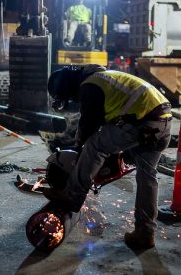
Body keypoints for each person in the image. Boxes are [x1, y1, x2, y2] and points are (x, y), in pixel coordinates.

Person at [44, 64, 172, 249]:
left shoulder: (90, 85)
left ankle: (72, 196)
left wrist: (79, 152)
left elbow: (88, 126)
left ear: (68, 86)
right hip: (162, 122)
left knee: (95, 145)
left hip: (143, 122)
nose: (72, 99)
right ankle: (145, 233)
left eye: (68, 96)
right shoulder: (106, 79)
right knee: (147, 176)